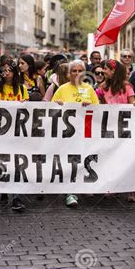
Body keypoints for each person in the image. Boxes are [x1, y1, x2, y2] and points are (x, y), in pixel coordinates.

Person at [52, 60, 99, 207]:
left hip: (84, 132)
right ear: (68, 73)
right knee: (70, 161)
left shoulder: (89, 89)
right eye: (74, 71)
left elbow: (99, 111)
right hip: (67, 134)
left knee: (82, 159)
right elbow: (50, 110)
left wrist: (89, 106)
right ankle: (70, 193)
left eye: (80, 71)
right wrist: (58, 105)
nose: (77, 74)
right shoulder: (62, 89)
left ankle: (82, 186)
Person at [96, 59, 135, 202]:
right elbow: (97, 104)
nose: (103, 71)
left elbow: (132, 101)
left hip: (125, 130)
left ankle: (130, 190)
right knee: (111, 158)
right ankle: (112, 187)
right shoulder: (102, 87)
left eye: (106, 69)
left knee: (127, 158)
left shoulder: (126, 87)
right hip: (108, 129)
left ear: (114, 71)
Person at [0, 60, 28, 212]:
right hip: (1, 133)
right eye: (3, 70)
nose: (6, 73)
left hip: (18, 133)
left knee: (17, 164)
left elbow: (29, 111)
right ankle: (3, 190)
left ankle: (17, 198)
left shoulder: (22, 89)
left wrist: (26, 103)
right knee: (3, 162)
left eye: (9, 70)